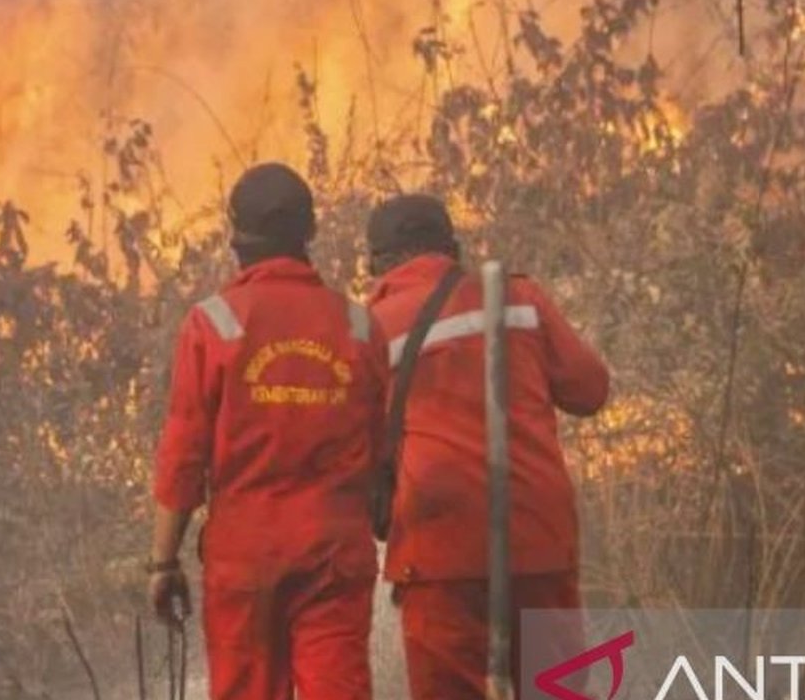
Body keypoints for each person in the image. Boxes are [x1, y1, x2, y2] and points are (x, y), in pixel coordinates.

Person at [147, 163, 390, 700]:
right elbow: (380, 447)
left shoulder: (212, 324)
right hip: (334, 552)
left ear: (236, 236)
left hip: (246, 559)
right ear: (309, 234)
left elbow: (183, 455)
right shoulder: (358, 325)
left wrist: (163, 562)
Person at [365, 194, 610, 700]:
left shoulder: (373, 329)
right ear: (453, 248)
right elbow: (590, 390)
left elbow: (359, 451)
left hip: (438, 549)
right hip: (536, 534)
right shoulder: (519, 298)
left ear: (376, 265)